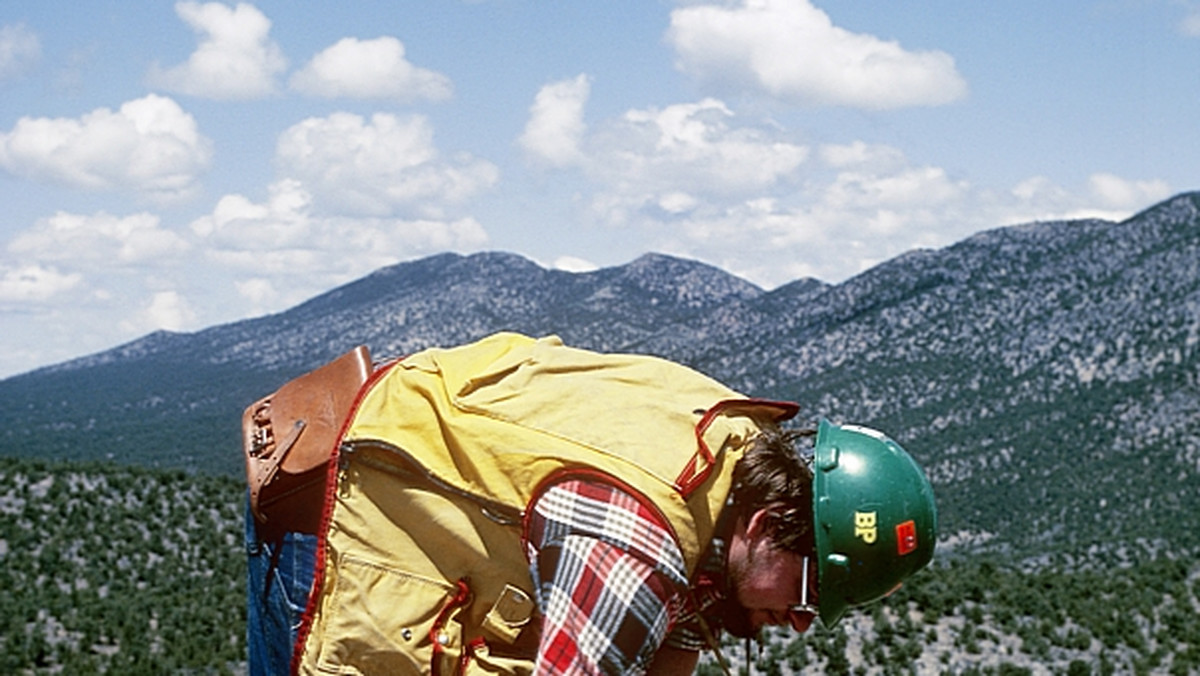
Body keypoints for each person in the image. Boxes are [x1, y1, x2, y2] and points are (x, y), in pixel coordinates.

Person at [245, 332, 937, 675]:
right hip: (340, 510)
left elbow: (677, 631)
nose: (801, 620)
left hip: (383, 455)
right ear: (767, 525)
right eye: (810, 588)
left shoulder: (733, 457)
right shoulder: (637, 547)